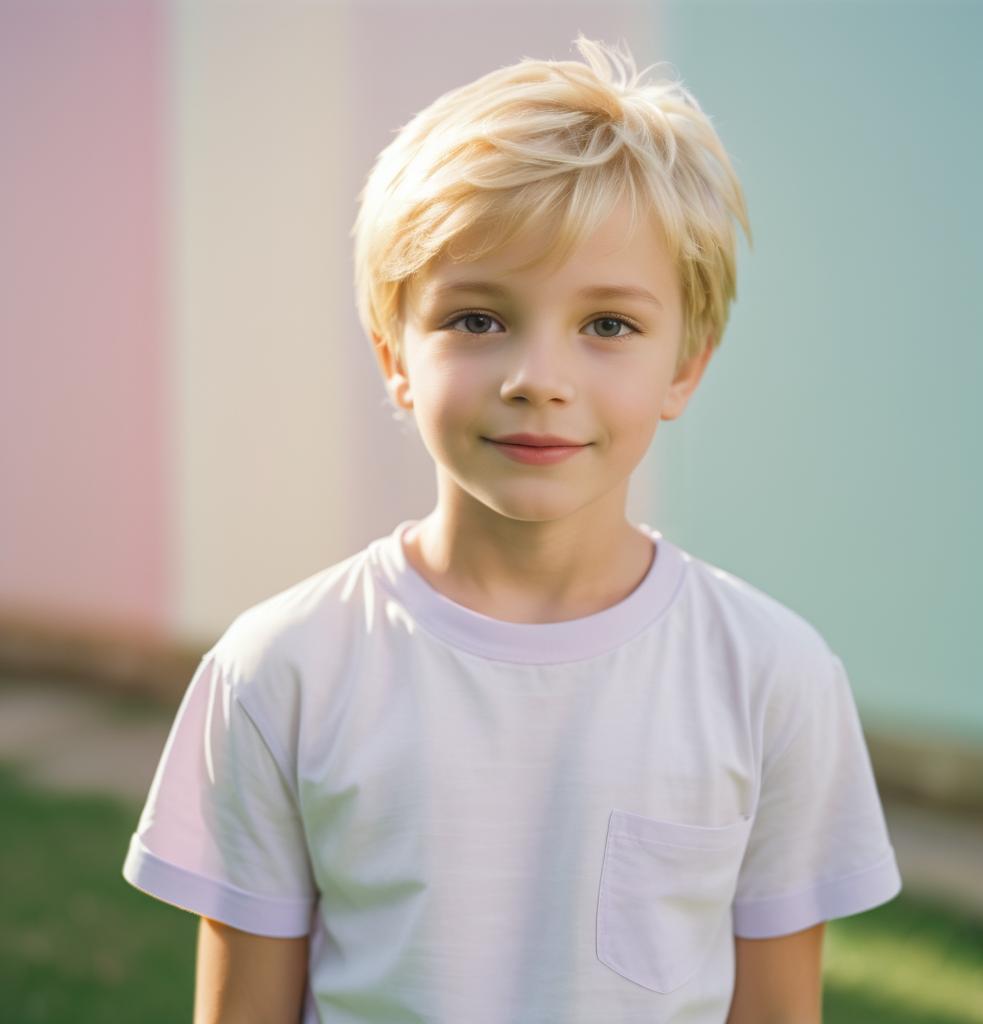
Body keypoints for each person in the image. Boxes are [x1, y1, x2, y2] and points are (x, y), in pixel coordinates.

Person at [122, 33, 902, 1024]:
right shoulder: (284, 667)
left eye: (608, 325)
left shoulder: (772, 676)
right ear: (393, 354)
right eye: (479, 319)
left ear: (686, 365)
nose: (538, 376)